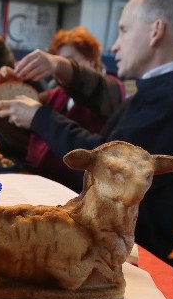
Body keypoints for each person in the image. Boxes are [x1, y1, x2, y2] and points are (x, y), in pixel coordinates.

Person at [0, 0, 173, 259]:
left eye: (124, 30)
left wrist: (40, 117)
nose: (115, 45)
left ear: (156, 31)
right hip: (107, 240)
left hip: (125, 252)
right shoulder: (170, 88)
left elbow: (109, 167)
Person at [21, 26, 125, 191]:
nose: (59, 69)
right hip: (39, 186)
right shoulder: (54, 95)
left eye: (70, 60)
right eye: (58, 59)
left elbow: (89, 83)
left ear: (92, 60)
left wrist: (57, 64)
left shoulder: (111, 89)